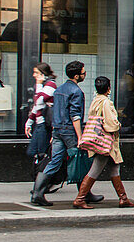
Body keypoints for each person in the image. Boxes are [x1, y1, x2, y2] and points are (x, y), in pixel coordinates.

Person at [30, 61, 103, 206]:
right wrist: (80, 136)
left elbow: (55, 112)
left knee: (55, 161)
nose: (85, 74)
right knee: (80, 160)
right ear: (77, 76)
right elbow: (75, 115)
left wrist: (54, 132)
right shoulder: (76, 92)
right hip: (69, 131)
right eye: (83, 72)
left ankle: (37, 192)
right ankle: (84, 194)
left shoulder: (59, 89)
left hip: (57, 130)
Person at [74, 76, 134, 208]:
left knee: (114, 167)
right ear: (108, 88)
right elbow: (110, 124)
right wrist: (118, 125)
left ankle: (123, 198)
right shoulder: (107, 102)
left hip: (99, 140)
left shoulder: (95, 100)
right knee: (95, 169)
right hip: (106, 142)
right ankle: (80, 199)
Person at [24, 62, 57, 168]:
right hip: (39, 123)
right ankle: (40, 175)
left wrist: (38, 84)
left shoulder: (51, 85)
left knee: (41, 152)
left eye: (36, 73)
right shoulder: (43, 85)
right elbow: (36, 106)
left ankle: (43, 177)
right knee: (33, 152)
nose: (34, 75)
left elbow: (38, 102)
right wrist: (29, 122)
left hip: (44, 124)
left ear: (43, 74)